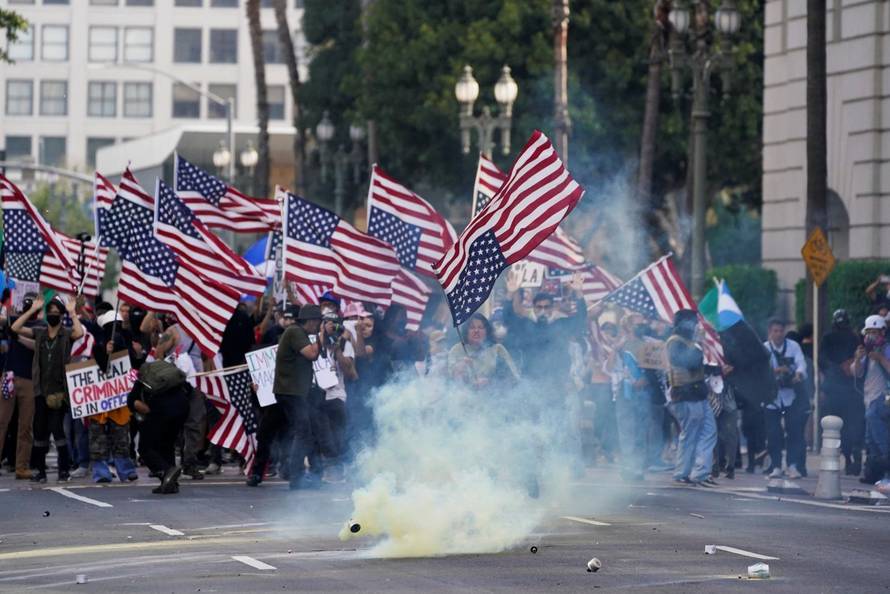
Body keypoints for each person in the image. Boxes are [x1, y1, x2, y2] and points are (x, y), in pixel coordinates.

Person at [248, 304, 322, 489]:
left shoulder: (299, 334)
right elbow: (312, 354)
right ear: (311, 321)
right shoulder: (295, 332)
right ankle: (294, 476)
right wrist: (322, 336)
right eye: (317, 322)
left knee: (279, 432)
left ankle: (263, 473)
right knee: (299, 432)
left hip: (289, 393)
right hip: (289, 393)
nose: (318, 325)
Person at [11, 296, 84, 483]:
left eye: (55, 311)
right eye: (49, 311)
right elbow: (15, 328)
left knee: (58, 432)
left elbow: (80, 332)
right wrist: (31, 310)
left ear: (60, 314)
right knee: (40, 432)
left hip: (59, 392)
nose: (52, 314)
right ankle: (41, 471)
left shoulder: (66, 334)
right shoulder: (40, 332)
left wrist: (72, 312)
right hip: (40, 391)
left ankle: (63, 470)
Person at [665, 309, 717, 486]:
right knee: (690, 435)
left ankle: (701, 472)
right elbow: (688, 362)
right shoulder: (675, 342)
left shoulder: (688, 342)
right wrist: (698, 342)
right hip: (685, 395)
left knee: (709, 431)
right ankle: (682, 472)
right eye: (693, 322)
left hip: (699, 394)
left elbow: (698, 366)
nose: (696, 325)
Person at [310, 311, 357, 483]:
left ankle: (340, 469)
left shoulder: (344, 345)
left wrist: (337, 348)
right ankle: (322, 471)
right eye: (327, 324)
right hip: (317, 395)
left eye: (333, 324)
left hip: (336, 395)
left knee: (338, 434)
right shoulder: (315, 340)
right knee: (321, 436)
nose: (331, 327)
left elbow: (351, 373)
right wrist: (323, 337)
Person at [763, 319, 808, 479]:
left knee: (794, 432)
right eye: (775, 331)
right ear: (770, 332)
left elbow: (801, 364)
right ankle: (776, 466)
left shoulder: (793, 346)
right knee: (773, 433)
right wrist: (775, 371)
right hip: (771, 397)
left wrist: (797, 373)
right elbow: (760, 371)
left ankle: (792, 465)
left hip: (791, 395)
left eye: (781, 330)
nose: (778, 334)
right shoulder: (765, 348)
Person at [0, 293, 39, 480]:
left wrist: (17, 336)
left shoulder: (42, 326)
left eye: (32, 304)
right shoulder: (15, 320)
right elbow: (7, 322)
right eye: (26, 303)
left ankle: (21, 466)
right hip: (9, 377)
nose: (28, 306)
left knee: (25, 426)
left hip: (29, 380)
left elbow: (36, 345)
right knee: (1, 421)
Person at [822, 309, 864, 475]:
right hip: (837, 386)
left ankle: (850, 455)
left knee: (847, 425)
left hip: (848, 386)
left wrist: (849, 364)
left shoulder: (853, 337)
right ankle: (847, 456)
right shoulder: (831, 338)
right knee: (841, 426)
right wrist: (840, 367)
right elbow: (823, 360)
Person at [852, 315, 890, 484]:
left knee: (879, 433)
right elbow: (856, 373)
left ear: (883, 332)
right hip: (869, 398)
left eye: (875, 332)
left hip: (883, 397)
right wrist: (858, 359)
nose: (871, 336)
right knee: (870, 439)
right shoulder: (865, 352)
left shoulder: (887, 349)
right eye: (868, 333)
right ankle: (874, 473)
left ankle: (887, 465)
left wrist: (882, 359)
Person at [447, 313, 520, 388]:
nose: (476, 330)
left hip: (494, 395)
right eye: (472, 327)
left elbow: (514, 378)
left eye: (481, 327)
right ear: (466, 331)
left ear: (487, 331)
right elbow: (449, 379)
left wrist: (490, 382)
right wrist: (459, 368)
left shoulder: (497, 349)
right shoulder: (456, 350)